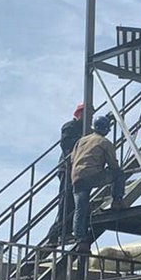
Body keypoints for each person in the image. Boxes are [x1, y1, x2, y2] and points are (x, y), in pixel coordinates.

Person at [71, 115, 126, 253]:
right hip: (92, 176)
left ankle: (80, 240)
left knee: (80, 209)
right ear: (106, 129)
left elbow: (72, 158)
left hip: (76, 177)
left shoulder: (81, 141)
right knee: (119, 174)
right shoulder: (104, 142)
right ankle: (117, 201)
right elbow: (113, 165)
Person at [43, 103, 84, 246]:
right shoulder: (70, 127)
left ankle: (58, 233)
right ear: (79, 114)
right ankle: (57, 234)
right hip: (68, 167)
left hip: (78, 167)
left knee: (73, 202)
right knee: (66, 200)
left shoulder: (86, 129)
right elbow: (66, 145)